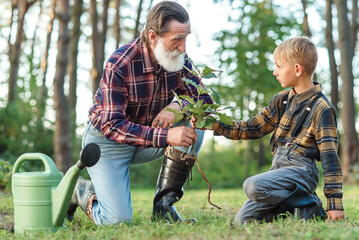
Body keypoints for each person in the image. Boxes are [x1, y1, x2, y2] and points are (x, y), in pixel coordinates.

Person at [67, 1, 213, 225]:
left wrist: (176, 107)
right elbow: (111, 126)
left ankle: (164, 208)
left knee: (196, 123)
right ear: (153, 36)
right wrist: (166, 136)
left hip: (145, 140)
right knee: (116, 221)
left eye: (186, 38)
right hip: (107, 144)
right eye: (177, 39)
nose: (184, 47)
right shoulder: (120, 64)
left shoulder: (179, 60)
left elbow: (205, 100)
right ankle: (81, 190)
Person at [191, 36, 345, 224]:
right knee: (243, 221)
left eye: (279, 66)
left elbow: (330, 158)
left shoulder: (323, 108)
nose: (274, 72)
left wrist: (334, 203)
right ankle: (295, 207)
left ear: (297, 69)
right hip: (278, 171)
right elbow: (253, 127)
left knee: (252, 186)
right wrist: (216, 125)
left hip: (303, 171)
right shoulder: (281, 100)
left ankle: (310, 202)